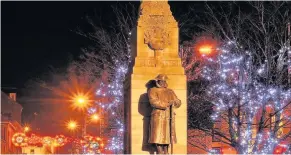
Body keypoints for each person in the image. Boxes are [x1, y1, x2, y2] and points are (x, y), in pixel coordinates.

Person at [148, 74, 181, 154]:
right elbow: (153, 102)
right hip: (158, 115)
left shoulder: (170, 91)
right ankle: (159, 151)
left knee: (168, 134)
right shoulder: (153, 90)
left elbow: (178, 101)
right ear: (158, 81)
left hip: (169, 115)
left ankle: (166, 151)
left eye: (164, 81)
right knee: (157, 135)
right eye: (161, 81)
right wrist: (167, 103)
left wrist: (177, 102)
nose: (163, 83)